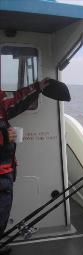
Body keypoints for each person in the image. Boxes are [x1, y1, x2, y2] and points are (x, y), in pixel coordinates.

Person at [0, 79, 51, 254]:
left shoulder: (1, 98)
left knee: (3, 214)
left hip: (5, 172)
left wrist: (38, 87)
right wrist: (4, 137)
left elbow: (14, 98)